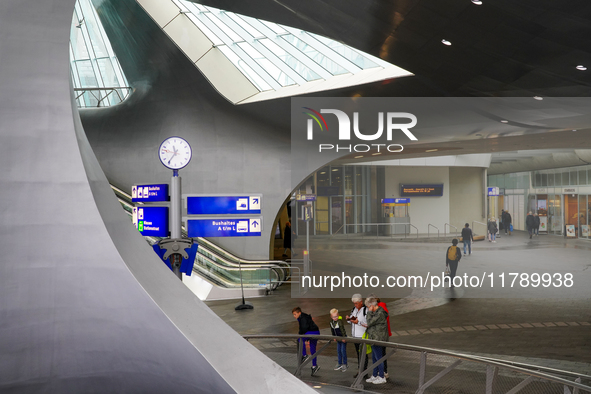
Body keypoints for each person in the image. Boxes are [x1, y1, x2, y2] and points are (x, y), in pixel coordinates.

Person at [362, 297, 388, 385]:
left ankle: (381, 376)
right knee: (374, 357)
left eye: (369, 307)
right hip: (374, 337)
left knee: (379, 358)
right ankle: (375, 375)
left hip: (378, 338)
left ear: (372, 305)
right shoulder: (377, 312)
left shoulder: (380, 313)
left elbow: (369, 322)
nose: (368, 309)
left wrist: (369, 312)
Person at [292, 307, 320, 376]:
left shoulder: (303, 318)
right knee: (312, 349)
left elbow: (304, 328)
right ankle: (314, 366)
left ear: (299, 313)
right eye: (293, 314)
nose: (294, 316)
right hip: (315, 331)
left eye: (295, 314)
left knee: (300, 339)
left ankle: (304, 355)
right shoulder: (302, 317)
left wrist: (301, 334)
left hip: (312, 332)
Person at [346, 294, 368, 378]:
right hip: (355, 335)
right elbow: (351, 320)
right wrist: (349, 319)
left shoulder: (365, 310)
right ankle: (360, 370)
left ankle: (364, 372)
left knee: (363, 354)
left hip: (362, 335)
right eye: (354, 303)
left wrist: (357, 322)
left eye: (356, 303)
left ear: (361, 302)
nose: (355, 305)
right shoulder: (354, 309)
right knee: (359, 354)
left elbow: (367, 323)